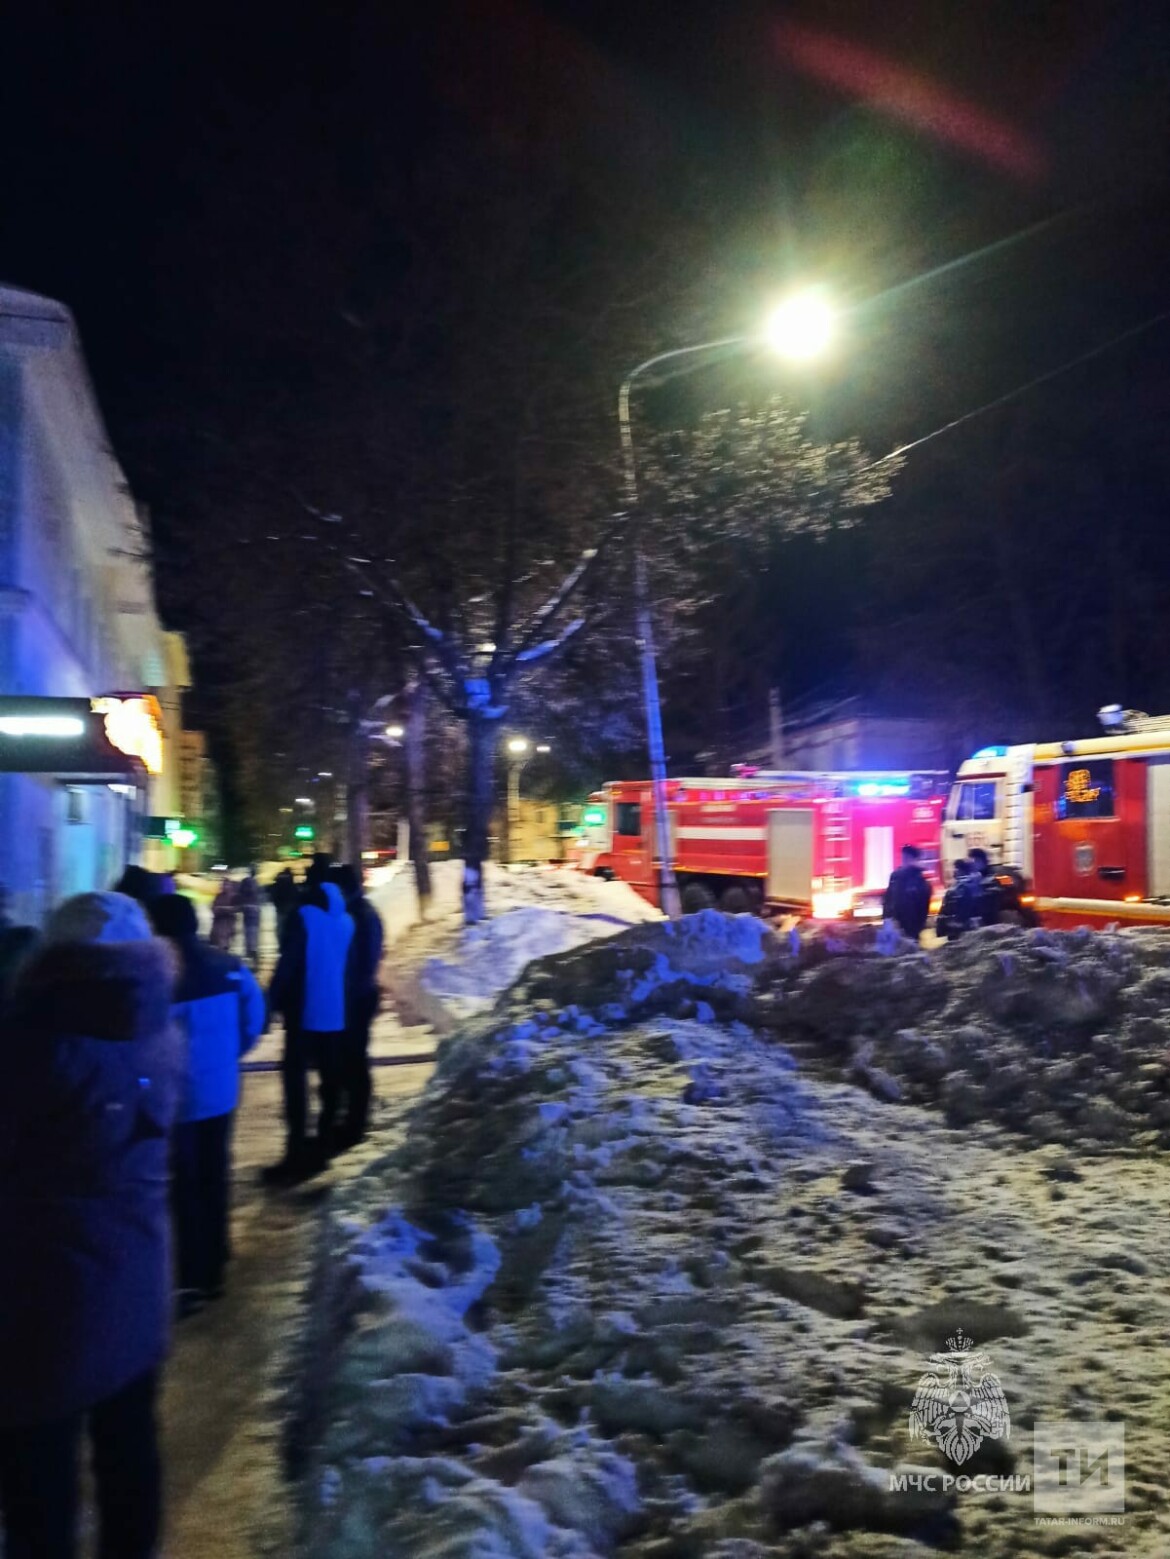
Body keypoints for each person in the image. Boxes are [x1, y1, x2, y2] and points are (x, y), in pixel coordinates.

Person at [0, 891, 180, 1559]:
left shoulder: (30, 1046)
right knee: (129, 1450)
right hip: (138, 1278)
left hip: (44, 1295)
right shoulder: (162, 1035)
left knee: (39, 1476)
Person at [149, 894, 266, 1316]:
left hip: (178, 1100)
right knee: (215, 1174)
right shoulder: (229, 967)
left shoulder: (156, 977)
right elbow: (255, 1017)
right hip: (221, 1091)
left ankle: (191, 1277)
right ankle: (215, 1263)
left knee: (184, 1184)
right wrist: (230, 1055)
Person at [264, 876, 354, 1182]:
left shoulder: (304, 917)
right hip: (335, 1013)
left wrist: (271, 1002)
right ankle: (323, 1147)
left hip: (304, 1013)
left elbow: (288, 964)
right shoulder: (346, 921)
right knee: (330, 1082)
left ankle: (296, 1154)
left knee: (296, 1084)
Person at [333, 863, 384, 1148]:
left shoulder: (358, 915)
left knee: (354, 1060)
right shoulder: (362, 911)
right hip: (359, 995)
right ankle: (353, 1119)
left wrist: (348, 991)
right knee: (352, 1059)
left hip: (357, 998)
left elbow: (359, 962)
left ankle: (355, 1123)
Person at [882, 843, 932, 941]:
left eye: (907, 857)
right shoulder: (896, 877)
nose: (904, 860)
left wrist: (918, 926)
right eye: (904, 857)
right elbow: (888, 898)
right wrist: (887, 918)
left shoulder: (920, 880)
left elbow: (923, 907)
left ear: (914, 859)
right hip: (897, 924)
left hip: (910, 925)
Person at [935, 858, 982, 940]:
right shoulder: (977, 885)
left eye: (955, 868)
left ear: (960, 870)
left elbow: (947, 910)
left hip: (959, 929)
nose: (953, 871)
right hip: (974, 928)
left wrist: (942, 927)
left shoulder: (957, 889)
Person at [237, 866, 263, 966]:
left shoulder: (245, 882)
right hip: (255, 909)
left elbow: (240, 893)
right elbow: (260, 896)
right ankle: (253, 948)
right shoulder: (257, 883)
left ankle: (249, 948)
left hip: (246, 908)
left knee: (247, 929)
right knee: (254, 929)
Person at [210, 875, 238, 952]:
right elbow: (213, 907)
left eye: (227, 885)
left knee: (225, 938)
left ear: (231, 886)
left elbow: (237, 908)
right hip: (219, 921)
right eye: (224, 885)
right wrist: (217, 910)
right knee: (220, 939)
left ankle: (224, 949)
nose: (225, 887)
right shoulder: (218, 896)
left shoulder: (234, 896)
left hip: (229, 921)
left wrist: (223, 909)